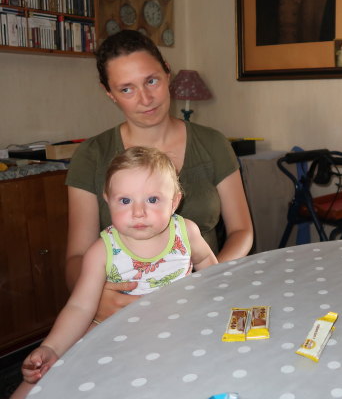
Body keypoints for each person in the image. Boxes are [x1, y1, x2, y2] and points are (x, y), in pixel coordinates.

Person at [65, 29, 252, 323]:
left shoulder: (214, 143)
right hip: (129, 314)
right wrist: (95, 297)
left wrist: (209, 281)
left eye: (151, 80)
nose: (145, 98)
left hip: (204, 299)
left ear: (167, 73)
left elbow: (242, 231)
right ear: (109, 94)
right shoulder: (91, 156)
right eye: (127, 89)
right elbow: (76, 257)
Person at [18, 146, 218, 392]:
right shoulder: (102, 251)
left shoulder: (186, 232)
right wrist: (51, 348)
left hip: (177, 330)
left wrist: (214, 302)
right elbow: (80, 306)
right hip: (119, 339)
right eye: (125, 200)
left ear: (175, 201)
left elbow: (211, 268)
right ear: (107, 200)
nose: (138, 212)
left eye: (153, 199)